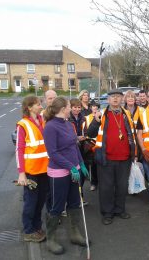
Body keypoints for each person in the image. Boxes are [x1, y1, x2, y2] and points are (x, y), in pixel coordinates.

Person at [43, 96, 89, 255]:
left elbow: (74, 146)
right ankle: (51, 239)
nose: (72, 108)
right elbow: (53, 153)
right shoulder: (50, 127)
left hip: (74, 170)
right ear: (63, 109)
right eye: (70, 106)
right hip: (59, 173)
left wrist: (81, 163)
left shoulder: (69, 125)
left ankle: (75, 234)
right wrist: (70, 167)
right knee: (57, 206)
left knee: (75, 203)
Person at [87, 89, 136, 225]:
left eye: (118, 97)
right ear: (107, 100)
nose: (115, 99)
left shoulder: (127, 114)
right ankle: (107, 213)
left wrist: (134, 154)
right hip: (106, 158)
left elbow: (132, 134)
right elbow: (90, 133)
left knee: (121, 186)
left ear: (122, 99)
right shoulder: (101, 114)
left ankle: (120, 210)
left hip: (125, 158)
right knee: (106, 187)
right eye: (112, 97)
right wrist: (96, 122)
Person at [16, 95, 49, 242]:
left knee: (40, 201)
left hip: (44, 169)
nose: (41, 106)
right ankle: (28, 231)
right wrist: (21, 174)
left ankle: (37, 227)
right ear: (29, 107)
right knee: (31, 202)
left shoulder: (42, 120)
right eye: (38, 104)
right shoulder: (23, 124)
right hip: (31, 171)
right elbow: (19, 150)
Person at [69, 98, 89, 205]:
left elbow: (86, 132)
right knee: (74, 174)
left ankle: (81, 197)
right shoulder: (68, 119)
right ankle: (73, 198)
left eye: (79, 107)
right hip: (72, 149)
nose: (77, 109)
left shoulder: (84, 118)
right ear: (70, 108)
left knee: (82, 174)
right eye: (75, 107)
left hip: (82, 148)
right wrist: (76, 138)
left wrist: (84, 136)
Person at [83, 100, 100, 191]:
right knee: (93, 164)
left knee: (101, 165)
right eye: (93, 106)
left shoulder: (101, 116)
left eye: (96, 106)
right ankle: (93, 183)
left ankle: (101, 183)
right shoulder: (87, 118)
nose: (95, 108)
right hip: (91, 143)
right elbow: (86, 131)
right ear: (90, 107)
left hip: (100, 143)